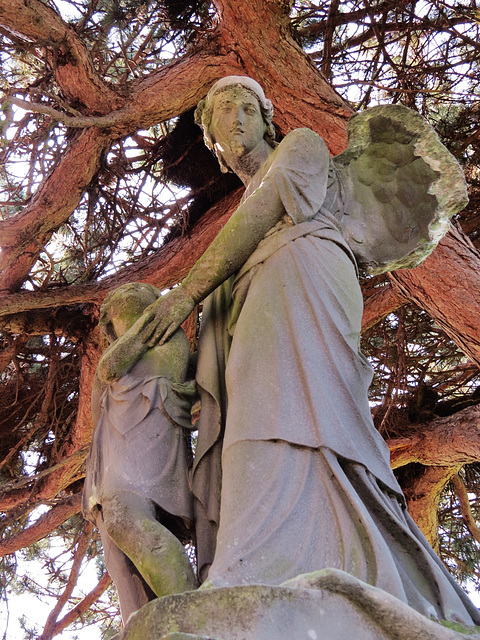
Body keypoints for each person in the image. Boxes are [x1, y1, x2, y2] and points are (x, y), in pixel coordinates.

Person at [138, 76, 480, 625]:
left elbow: (272, 204)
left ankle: (306, 561)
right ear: (212, 142)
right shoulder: (238, 215)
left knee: (303, 410)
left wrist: (184, 293)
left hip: (306, 273)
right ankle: (259, 561)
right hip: (262, 298)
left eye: (248, 106)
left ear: (267, 116)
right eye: (224, 111)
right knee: (253, 410)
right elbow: (221, 312)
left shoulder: (302, 146)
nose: (238, 117)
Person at [82, 282, 196, 622]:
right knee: (123, 568)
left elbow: (111, 368)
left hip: (154, 446)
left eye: (139, 295)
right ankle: (168, 620)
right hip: (116, 453)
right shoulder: (122, 353)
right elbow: (105, 379)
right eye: (117, 303)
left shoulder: (170, 341)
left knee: (125, 521)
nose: (128, 292)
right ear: (109, 325)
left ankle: (195, 612)